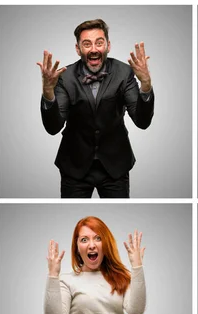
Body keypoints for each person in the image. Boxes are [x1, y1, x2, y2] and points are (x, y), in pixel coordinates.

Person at [38, 19, 155, 198]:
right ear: (78, 49)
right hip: (74, 165)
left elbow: (142, 121)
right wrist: (48, 91)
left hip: (115, 165)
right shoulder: (65, 77)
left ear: (108, 45)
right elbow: (53, 127)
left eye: (99, 43)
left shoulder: (124, 73)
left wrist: (145, 84)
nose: (94, 49)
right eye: (87, 44)